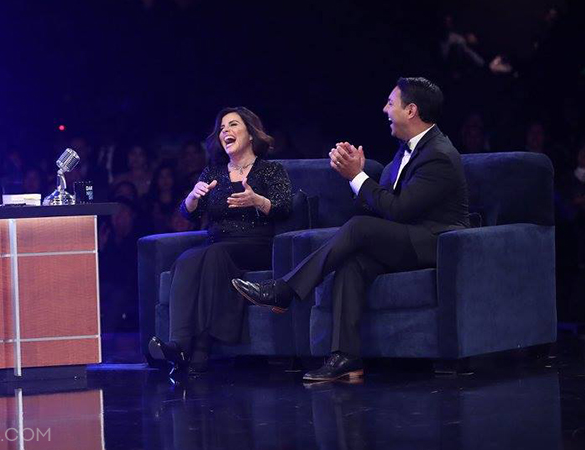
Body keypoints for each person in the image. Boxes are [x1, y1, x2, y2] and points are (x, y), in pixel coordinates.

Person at [232, 77, 470, 382]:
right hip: (406, 238)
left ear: (411, 110)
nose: (385, 109)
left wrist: (358, 177)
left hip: (437, 244)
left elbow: (399, 210)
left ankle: (285, 290)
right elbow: (382, 206)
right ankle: (346, 357)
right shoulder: (404, 151)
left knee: (358, 229)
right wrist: (357, 177)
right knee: (351, 262)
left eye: (390, 103)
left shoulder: (438, 155)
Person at [147, 107, 292, 375]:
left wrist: (256, 200)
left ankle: (201, 350)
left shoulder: (270, 170)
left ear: (250, 134)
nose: (225, 131)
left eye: (233, 125)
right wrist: (192, 197)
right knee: (186, 259)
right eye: (222, 127)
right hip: (219, 243)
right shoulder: (213, 172)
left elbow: (284, 207)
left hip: (256, 242)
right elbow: (187, 214)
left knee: (213, 255)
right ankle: (177, 345)